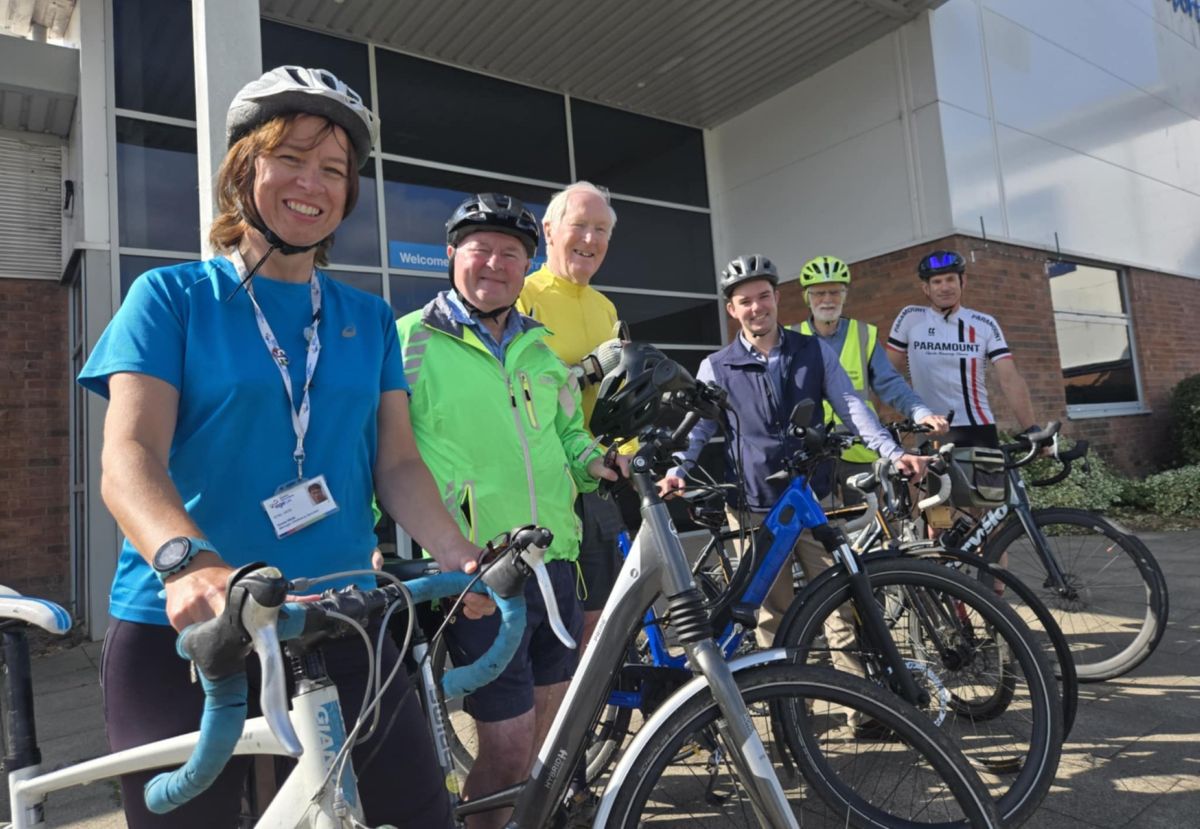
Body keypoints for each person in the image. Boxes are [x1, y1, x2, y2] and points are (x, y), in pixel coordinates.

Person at [77, 67, 480, 828]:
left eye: (334, 169)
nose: (312, 182)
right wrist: (186, 562)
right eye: (290, 157)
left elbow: (395, 463)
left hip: (344, 619)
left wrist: (458, 552)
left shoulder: (366, 317)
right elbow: (127, 454)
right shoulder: (171, 299)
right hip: (197, 633)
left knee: (418, 814)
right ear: (244, 170)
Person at [395, 192, 623, 829]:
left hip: (557, 561)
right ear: (451, 256)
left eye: (511, 254)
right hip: (478, 572)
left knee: (547, 736)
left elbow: (564, 438)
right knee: (506, 744)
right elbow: (378, 454)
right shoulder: (409, 341)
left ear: (526, 268)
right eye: (481, 249)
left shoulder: (540, 350)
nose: (495, 263)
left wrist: (596, 459)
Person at [658, 255, 928, 652]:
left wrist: (890, 451)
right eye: (745, 301)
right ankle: (788, 703)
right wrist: (678, 469)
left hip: (811, 498)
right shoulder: (716, 366)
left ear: (777, 298)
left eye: (763, 296)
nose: (757, 307)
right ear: (732, 310)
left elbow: (852, 406)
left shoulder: (813, 351)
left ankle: (858, 708)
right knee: (771, 613)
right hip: (754, 507)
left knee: (838, 602)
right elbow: (699, 427)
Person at [516, 181, 626, 651]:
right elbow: (515, 390)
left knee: (600, 618)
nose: (590, 239)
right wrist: (586, 369)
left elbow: (611, 396)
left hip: (594, 473)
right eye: (579, 225)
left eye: (600, 229)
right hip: (538, 482)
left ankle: (597, 718)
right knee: (544, 625)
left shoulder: (605, 308)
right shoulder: (522, 293)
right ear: (548, 230)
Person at [791, 254, 948, 503]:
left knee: (874, 525)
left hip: (861, 448)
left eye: (834, 292)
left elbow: (890, 384)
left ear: (844, 295)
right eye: (819, 293)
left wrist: (920, 412)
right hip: (811, 451)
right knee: (819, 531)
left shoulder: (863, 334)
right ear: (806, 298)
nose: (827, 299)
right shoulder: (791, 338)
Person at [887, 249, 1041, 448]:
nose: (945, 287)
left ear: (963, 281)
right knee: (937, 480)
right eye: (937, 282)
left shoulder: (984, 323)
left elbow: (1010, 378)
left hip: (979, 428)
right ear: (926, 288)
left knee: (990, 480)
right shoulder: (910, 318)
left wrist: (1032, 429)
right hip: (931, 428)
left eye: (950, 279)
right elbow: (887, 374)